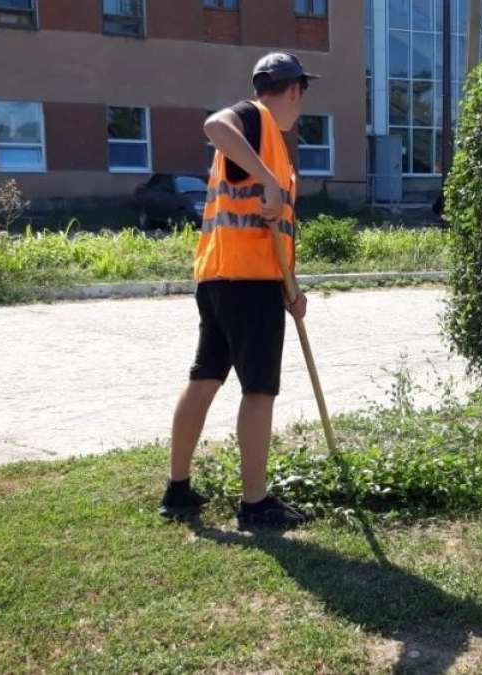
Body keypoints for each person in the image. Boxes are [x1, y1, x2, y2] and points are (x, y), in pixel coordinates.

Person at [159, 53, 318, 529]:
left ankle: (178, 490)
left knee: (205, 377)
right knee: (260, 390)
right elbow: (214, 125)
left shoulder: (269, 139)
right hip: (247, 283)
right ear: (294, 90)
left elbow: (270, 224)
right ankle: (254, 503)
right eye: (302, 96)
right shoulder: (255, 118)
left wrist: (291, 286)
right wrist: (270, 181)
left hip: (224, 278)